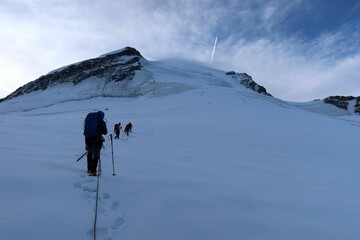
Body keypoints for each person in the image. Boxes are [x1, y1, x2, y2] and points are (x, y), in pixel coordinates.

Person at [83, 111, 108, 176]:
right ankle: (93, 171)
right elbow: (105, 132)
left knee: (90, 153)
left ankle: (89, 169)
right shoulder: (101, 122)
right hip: (97, 139)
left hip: (88, 138)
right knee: (96, 154)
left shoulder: (89, 120)